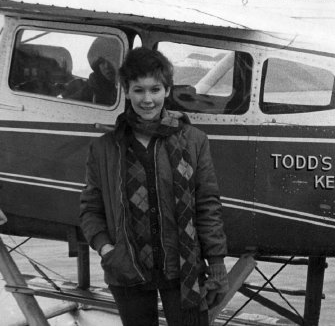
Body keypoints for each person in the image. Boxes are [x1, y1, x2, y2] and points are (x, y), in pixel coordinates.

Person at [79, 47, 229, 326]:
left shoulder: (194, 140)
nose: (147, 99)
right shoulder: (104, 148)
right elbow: (90, 209)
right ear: (126, 91)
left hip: (184, 268)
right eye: (138, 90)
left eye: (155, 89)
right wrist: (106, 250)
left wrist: (217, 263)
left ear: (166, 90)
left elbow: (207, 205)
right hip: (127, 267)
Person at [64, 37, 120, 105]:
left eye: (111, 59)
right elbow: (67, 104)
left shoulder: (131, 85)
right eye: (101, 62)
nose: (106, 66)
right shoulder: (94, 86)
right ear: (97, 65)